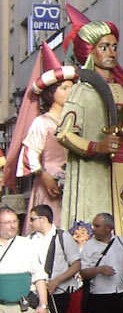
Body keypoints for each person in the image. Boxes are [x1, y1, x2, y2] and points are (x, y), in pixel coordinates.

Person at [56, 19, 123, 313]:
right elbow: (64, 133)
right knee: (100, 238)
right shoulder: (81, 91)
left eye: (114, 47)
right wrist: (94, 147)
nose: (112, 52)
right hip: (99, 178)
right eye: (104, 47)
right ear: (90, 51)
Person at [6, 58, 77, 225]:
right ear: (51, 93)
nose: (69, 92)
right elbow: (30, 154)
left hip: (73, 180)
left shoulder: (75, 121)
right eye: (64, 88)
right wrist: (44, 175)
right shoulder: (42, 122)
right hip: (50, 181)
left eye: (72, 88)